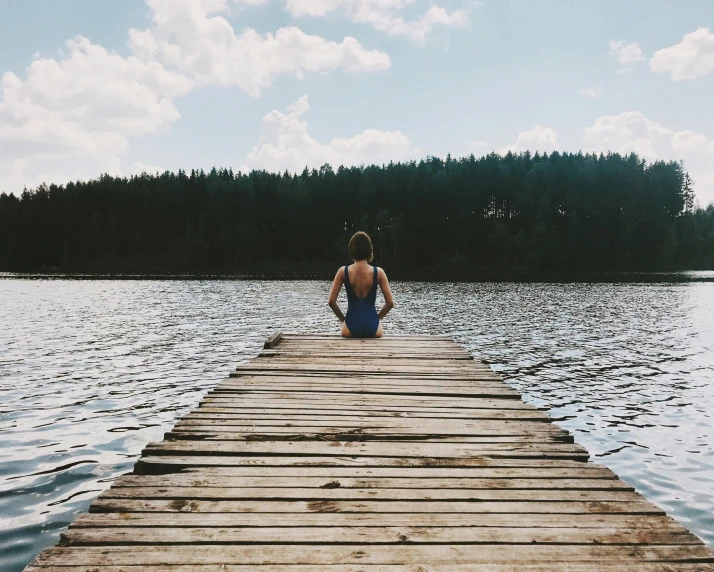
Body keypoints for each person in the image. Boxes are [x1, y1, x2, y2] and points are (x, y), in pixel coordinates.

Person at [328, 231, 394, 338]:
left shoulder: (343, 271)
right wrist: (377, 318)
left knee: (347, 326)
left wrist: (344, 320)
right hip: (373, 327)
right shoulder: (379, 272)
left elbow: (331, 301)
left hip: (350, 327)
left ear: (351, 249)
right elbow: (390, 303)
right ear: (369, 249)